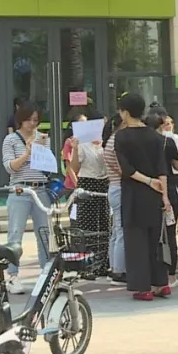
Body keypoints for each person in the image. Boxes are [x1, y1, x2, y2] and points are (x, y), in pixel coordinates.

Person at [113, 93, 171, 301]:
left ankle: (143, 287)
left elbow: (126, 169)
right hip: (155, 194)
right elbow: (162, 168)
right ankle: (161, 283)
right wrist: (164, 195)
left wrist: (147, 181)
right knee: (156, 239)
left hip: (134, 194)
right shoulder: (155, 136)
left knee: (136, 241)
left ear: (125, 112)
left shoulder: (121, 136)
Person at [0, 103, 51, 295]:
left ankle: (46, 274)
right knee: (15, 234)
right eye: (29, 119)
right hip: (20, 189)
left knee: (44, 233)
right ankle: (12, 276)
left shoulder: (43, 138)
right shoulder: (11, 139)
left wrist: (42, 152)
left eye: (35, 120)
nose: (32, 123)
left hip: (41, 189)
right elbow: (10, 167)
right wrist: (27, 153)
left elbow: (47, 166)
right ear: (20, 119)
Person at [68, 111, 110, 275]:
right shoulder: (82, 143)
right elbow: (75, 168)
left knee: (105, 223)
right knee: (87, 225)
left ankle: (103, 263)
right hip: (87, 182)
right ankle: (87, 265)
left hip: (104, 183)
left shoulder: (107, 143)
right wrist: (75, 148)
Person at [147, 105, 178, 287]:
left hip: (148, 188)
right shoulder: (168, 142)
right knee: (170, 234)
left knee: (151, 235)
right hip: (168, 188)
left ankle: (154, 275)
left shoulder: (143, 143)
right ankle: (171, 275)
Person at [102, 114, 127, 284]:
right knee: (121, 230)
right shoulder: (116, 141)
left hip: (114, 187)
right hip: (119, 187)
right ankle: (119, 271)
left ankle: (114, 267)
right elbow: (121, 169)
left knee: (116, 231)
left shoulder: (110, 140)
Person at [62, 114, 85, 190]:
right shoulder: (69, 142)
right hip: (72, 185)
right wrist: (77, 184)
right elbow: (69, 167)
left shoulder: (89, 142)